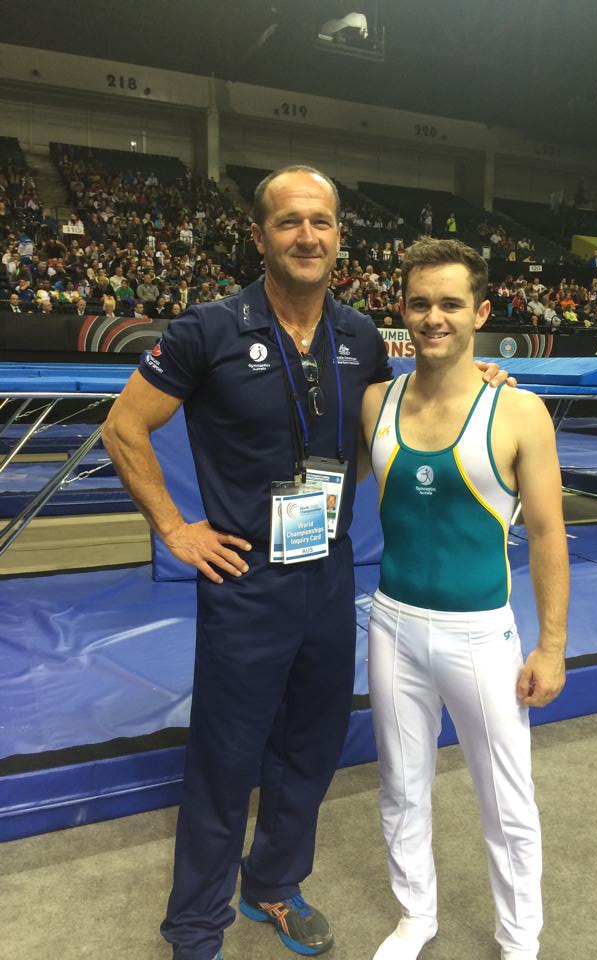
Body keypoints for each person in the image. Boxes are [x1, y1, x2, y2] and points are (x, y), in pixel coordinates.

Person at [102, 165, 512, 960]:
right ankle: (194, 926)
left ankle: (274, 885)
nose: (306, 235)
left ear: (338, 238)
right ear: (260, 236)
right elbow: (125, 427)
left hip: (328, 573)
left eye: (320, 222)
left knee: (311, 744)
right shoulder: (208, 329)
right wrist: (175, 528)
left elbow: (411, 413)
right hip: (244, 579)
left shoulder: (358, 335)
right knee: (226, 757)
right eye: (289, 222)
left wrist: (479, 376)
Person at [359, 238, 569, 960]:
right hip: (391, 626)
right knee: (401, 785)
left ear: (481, 313)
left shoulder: (518, 413)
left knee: (506, 801)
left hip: (480, 636)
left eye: (450, 304)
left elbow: (547, 536)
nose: (434, 317)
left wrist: (551, 646)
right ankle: (416, 916)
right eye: (420, 303)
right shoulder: (374, 403)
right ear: (403, 312)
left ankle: (519, 940)